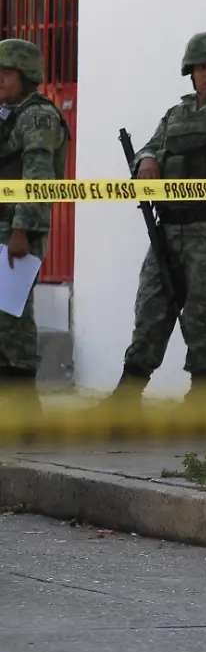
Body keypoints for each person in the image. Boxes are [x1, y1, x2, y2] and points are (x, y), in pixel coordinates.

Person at [102, 32, 206, 409]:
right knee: (151, 307)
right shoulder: (176, 115)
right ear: (190, 72)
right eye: (201, 67)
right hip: (168, 228)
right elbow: (149, 147)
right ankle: (128, 393)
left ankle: (200, 396)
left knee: (203, 313)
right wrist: (146, 160)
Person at [0, 38, 71, 419]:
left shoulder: (38, 116)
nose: (0, 79)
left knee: (10, 315)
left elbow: (38, 176)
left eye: (6, 72)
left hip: (15, 229)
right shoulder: (7, 113)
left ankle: (25, 407)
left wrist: (22, 230)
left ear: (26, 74)